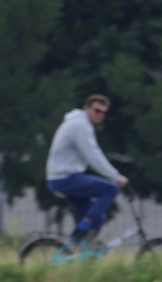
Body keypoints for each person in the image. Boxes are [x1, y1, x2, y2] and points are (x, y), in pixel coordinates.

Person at [45, 94, 124, 240]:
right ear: (86, 109)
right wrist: (116, 176)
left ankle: (82, 250)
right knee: (111, 189)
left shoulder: (78, 124)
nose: (100, 115)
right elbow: (93, 155)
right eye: (97, 110)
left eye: (104, 113)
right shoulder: (80, 125)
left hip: (61, 178)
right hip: (64, 178)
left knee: (98, 218)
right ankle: (83, 228)